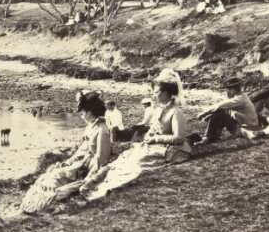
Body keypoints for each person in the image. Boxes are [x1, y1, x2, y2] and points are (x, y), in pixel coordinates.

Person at [78, 70, 197, 202]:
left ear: (166, 93)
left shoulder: (176, 112)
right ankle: (89, 184)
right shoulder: (160, 109)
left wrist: (155, 139)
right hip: (157, 145)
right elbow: (154, 128)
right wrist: (149, 135)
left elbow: (179, 138)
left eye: (156, 92)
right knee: (121, 161)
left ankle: (98, 189)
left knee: (132, 165)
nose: (153, 95)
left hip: (173, 150)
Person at [20, 90, 112, 213]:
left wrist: (90, 176)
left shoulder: (102, 130)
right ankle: (31, 205)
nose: (81, 115)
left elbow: (101, 158)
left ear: (90, 112)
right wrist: (69, 161)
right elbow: (81, 149)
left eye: (83, 112)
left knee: (55, 179)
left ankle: (38, 206)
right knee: (51, 173)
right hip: (81, 163)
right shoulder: (90, 127)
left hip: (88, 167)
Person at [199, 77, 259, 142]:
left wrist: (202, 114)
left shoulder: (239, 99)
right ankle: (213, 136)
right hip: (250, 126)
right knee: (222, 112)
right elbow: (226, 108)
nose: (227, 92)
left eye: (227, 89)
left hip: (247, 129)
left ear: (233, 89)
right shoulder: (242, 96)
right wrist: (210, 116)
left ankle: (208, 137)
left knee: (220, 112)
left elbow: (220, 106)